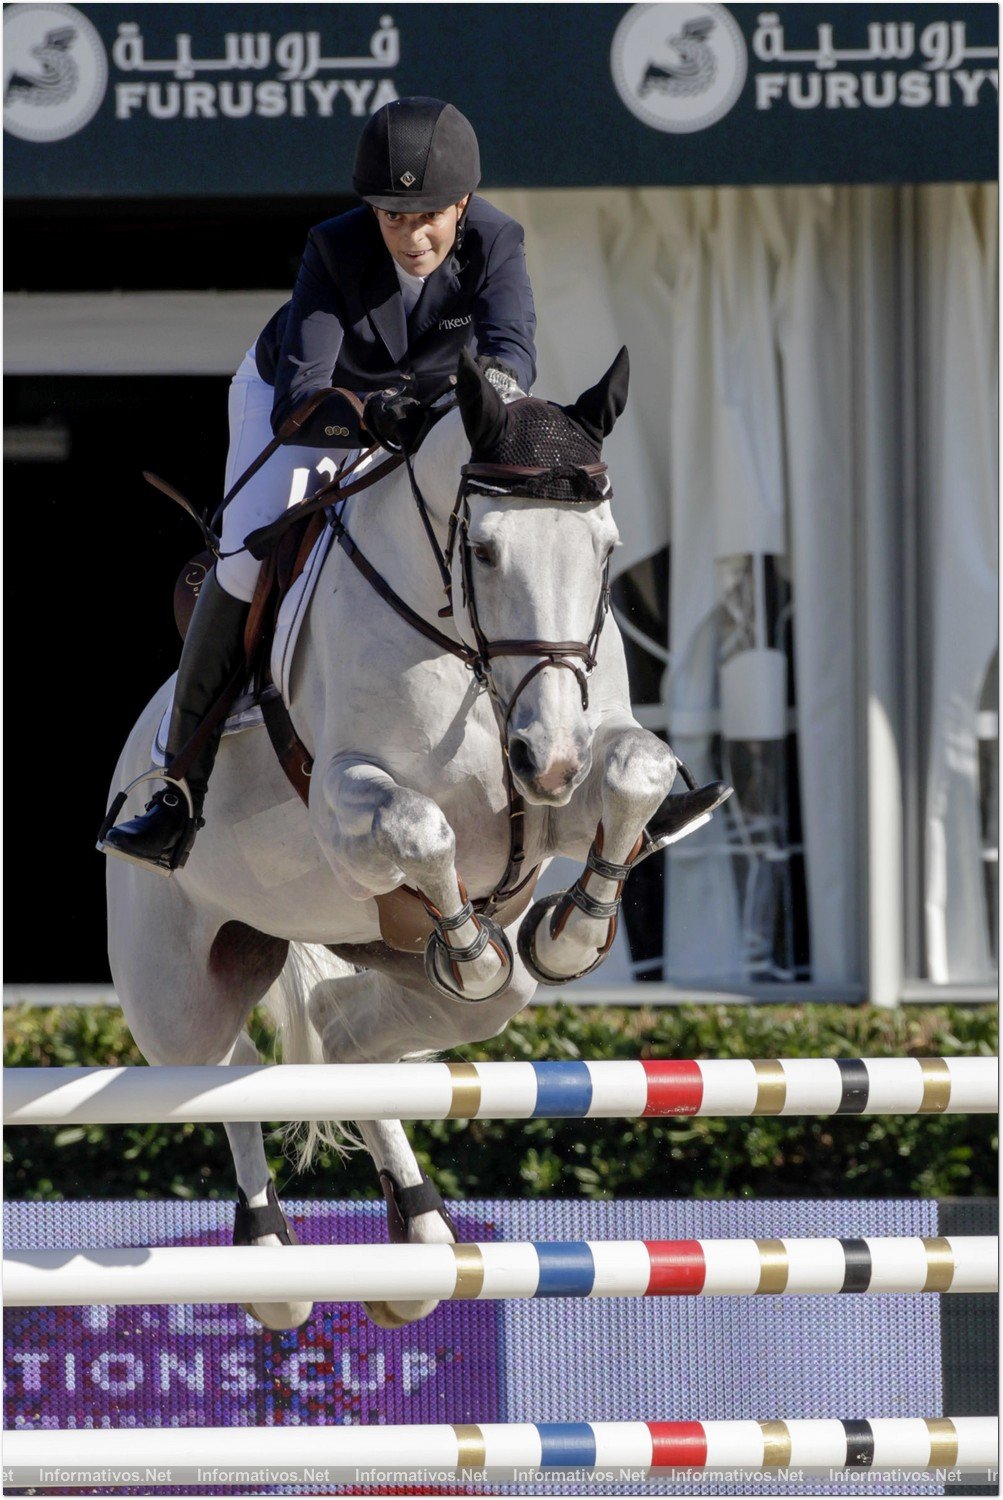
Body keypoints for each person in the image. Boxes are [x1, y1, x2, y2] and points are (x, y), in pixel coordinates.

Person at [99, 96, 538, 874]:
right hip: (304, 404)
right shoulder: (334, 248)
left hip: (433, 409)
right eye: (393, 216)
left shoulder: (497, 239)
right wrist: (377, 417)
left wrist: (479, 409)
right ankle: (176, 785)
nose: (412, 236)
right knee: (246, 560)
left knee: (523, 530)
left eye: (429, 216)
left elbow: (511, 351)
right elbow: (303, 392)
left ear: (463, 203)